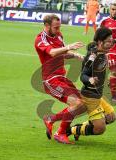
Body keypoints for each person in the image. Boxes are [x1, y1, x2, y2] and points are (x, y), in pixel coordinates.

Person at [34, 14, 88, 144]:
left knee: (84, 104)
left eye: (59, 27)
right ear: (47, 26)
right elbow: (52, 52)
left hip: (62, 77)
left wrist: (76, 55)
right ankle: (60, 133)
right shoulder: (40, 39)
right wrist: (68, 47)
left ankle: (51, 119)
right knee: (76, 104)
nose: (58, 30)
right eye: (55, 27)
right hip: (50, 80)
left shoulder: (59, 36)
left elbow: (63, 54)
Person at [66, 27, 116, 139]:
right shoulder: (92, 57)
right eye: (109, 41)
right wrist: (90, 79)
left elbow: (108, 43)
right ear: (100, 42)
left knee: (111, 117)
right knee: (100, 129)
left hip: (97, 95)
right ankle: (69, 131)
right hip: (90, 97)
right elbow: (83, 75)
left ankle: (81, 128)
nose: (111, 44)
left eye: (111, 41)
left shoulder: (101, 50)